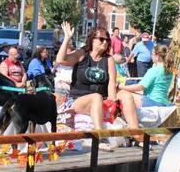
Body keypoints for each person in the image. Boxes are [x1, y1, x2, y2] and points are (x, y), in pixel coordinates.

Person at [56, 21, 140, 150]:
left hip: (102, 99)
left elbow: (112, 83)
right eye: (101, 39)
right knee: (96, 97)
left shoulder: (109, 59)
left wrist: (113, 104)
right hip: (78, 100)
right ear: (92, 40)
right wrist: (67, 37)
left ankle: (137, 135)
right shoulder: (82, 54)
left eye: (107, 40)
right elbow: (61, 60)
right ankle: (99, 137)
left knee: (126, 95)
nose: (105, 42)